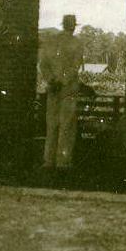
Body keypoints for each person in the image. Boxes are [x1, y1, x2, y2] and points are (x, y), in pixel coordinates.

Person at [38, 13, 83, 172]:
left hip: (53, 89)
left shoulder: (51, 41)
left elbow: (43, 64)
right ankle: (63, 162)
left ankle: (48, 161)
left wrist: (51, 80)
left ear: (63, 24)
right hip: (67, 88)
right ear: (73, 25)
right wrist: (62, 81)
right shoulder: (76, 43)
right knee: (67, 126)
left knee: (52, 125)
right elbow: (75, 67)